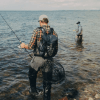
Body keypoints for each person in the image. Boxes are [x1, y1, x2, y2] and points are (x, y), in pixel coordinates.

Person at [20, 15, 58, 99]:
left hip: (37, 59)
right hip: (49, 60)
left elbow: (30, 46)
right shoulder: (54, 32)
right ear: (47, 21)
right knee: (47, 82)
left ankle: (33, 92)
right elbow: (56, 50)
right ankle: (46, 97)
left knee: (32, 74)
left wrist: (23, 45)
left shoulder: (37, 31)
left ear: (41, 21)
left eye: (39, 21)